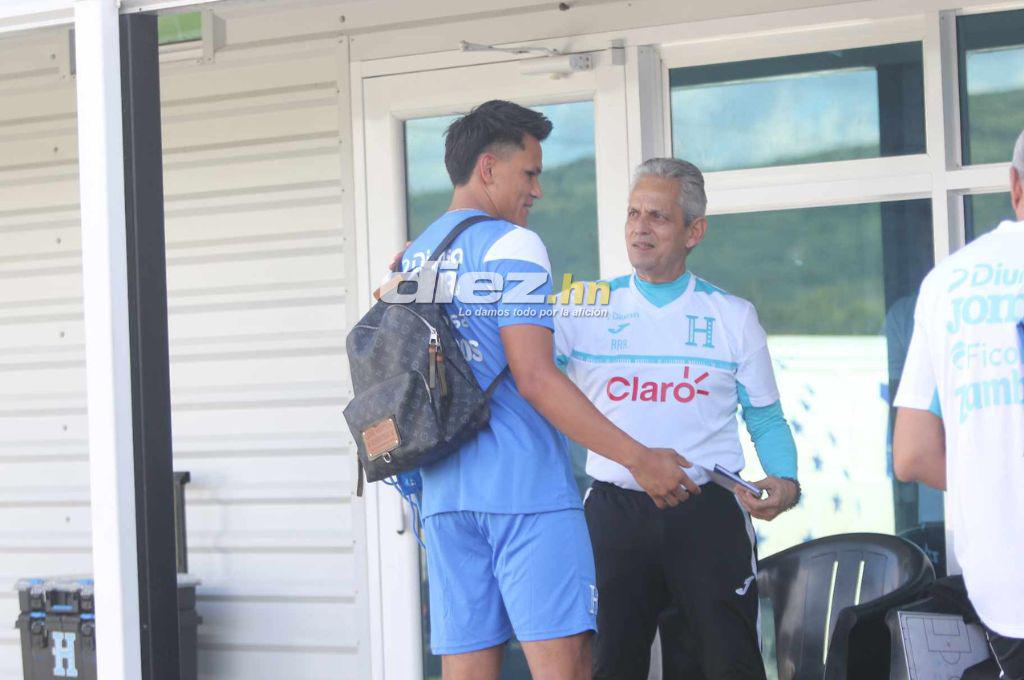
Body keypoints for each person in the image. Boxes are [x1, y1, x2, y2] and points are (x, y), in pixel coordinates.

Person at [397, 101, 696, 680]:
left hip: (444, 498)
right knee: (567, 668)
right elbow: (535, 377)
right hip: (523, 491)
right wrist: (640, 459)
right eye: (529, 173)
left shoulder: (416, 254)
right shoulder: (512, 245)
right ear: (488, 169)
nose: (537, 189)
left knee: (467, 670)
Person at [554, 158, 800, 679]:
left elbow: (766, 417)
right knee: (611, 665)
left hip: (707, 511)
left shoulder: (732, 315)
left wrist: (785, 480)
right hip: (614, 513)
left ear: (694, 231)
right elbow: (531, 378)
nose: (640, 227)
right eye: (633, 214)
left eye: (659, 217)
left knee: (726, 665)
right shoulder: (583, 306)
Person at [893, 129, 1024, 680]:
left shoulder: (946, 284)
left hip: (1003, 581)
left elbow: (913, 455)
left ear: (1014, 185)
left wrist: (993, 477)